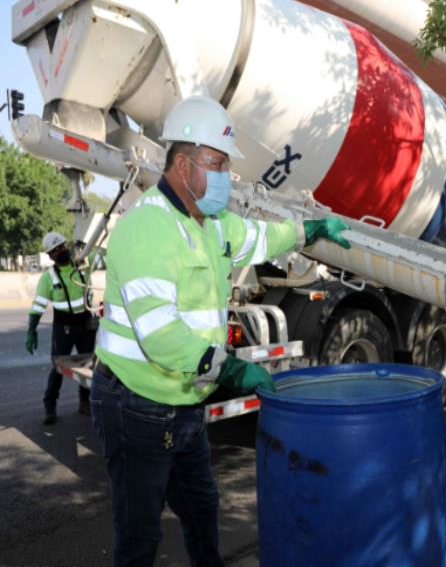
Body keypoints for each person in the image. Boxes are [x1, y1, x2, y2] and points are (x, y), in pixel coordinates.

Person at [90, 95, 351, 566]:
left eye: (227, 165)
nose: (226, 177)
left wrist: (312, 228)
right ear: (184, 164)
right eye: (218, 164)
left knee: (202, 511)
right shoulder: (148, 228)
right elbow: (161, 336)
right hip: (136, 404)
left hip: (185, 400)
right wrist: (231, 370)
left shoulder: (212, 225)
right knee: (139, 533)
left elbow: (264, 237)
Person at [26, 230, 95, 424]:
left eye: (62, 246)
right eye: (56, 250)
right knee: (58, 367)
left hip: (86, 324)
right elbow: (38, 306)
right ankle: (50, 406)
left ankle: (84, 402)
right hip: (63, 327)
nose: (61, 251)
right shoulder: (48, 277)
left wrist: (89, 243)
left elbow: (98, 251)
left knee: (87, 365)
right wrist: (31, 331)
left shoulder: (81, 266)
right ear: (50, 256)